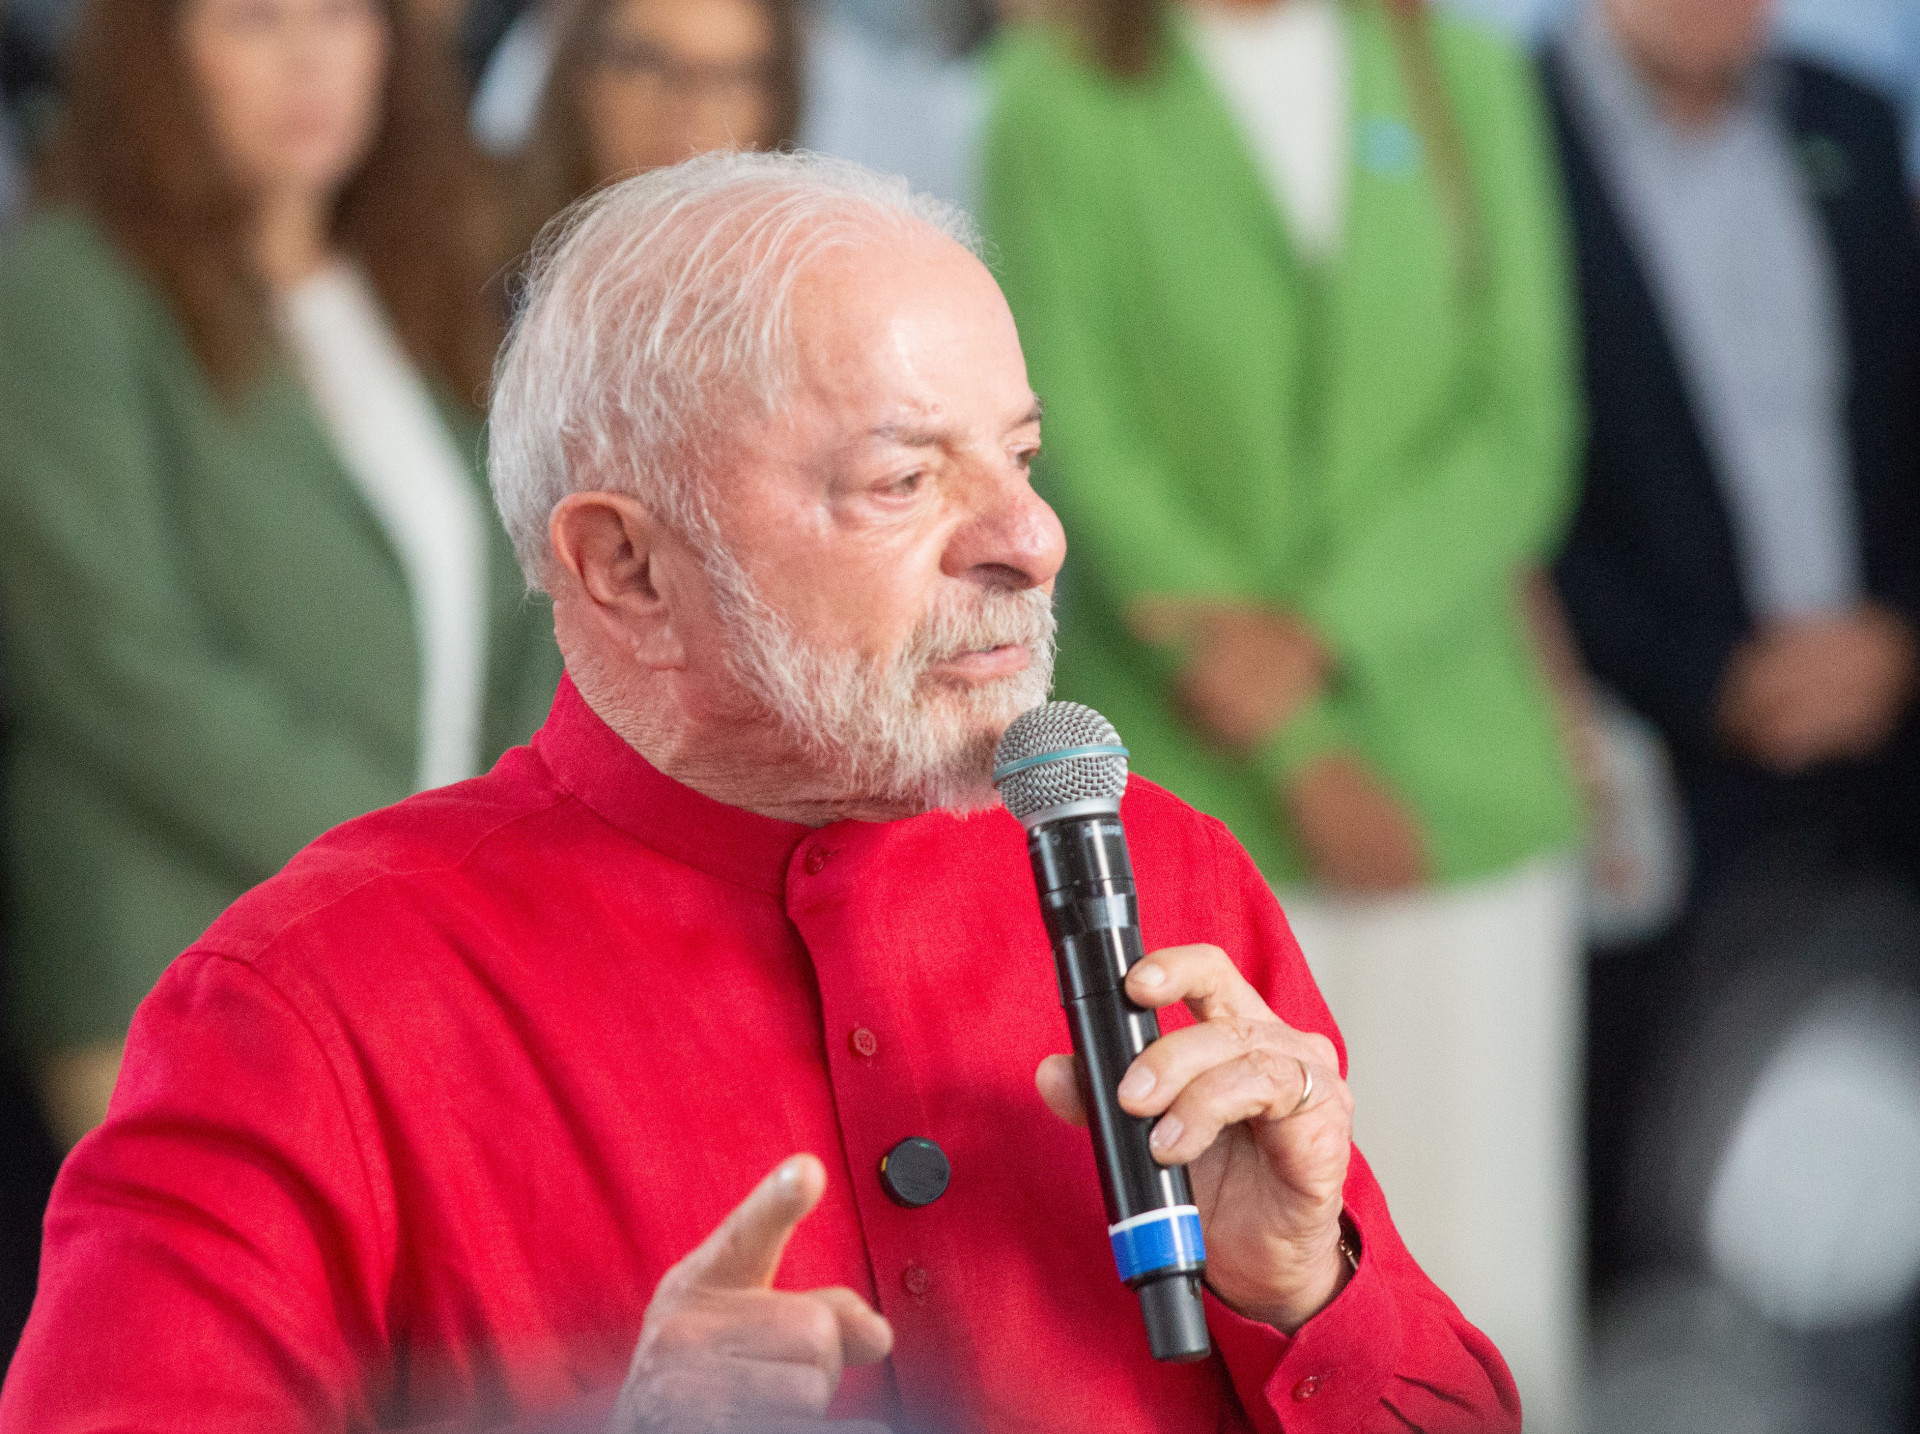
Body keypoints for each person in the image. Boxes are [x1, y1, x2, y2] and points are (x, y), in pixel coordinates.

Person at [1, 150, 1520, 1434]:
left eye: (1023, 455)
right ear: (624, 564)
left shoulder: (1161, 875)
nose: (1033, 539)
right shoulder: (308, 1003)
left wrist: (1309, 1283)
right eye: (905, 479)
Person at [983, 1, 1586, 1425]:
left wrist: (1324, 634)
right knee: (1231, 1290)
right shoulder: (1049, 94)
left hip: (1459, 772)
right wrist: (1299, 738)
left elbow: (1521, 415)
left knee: (1486, 1271)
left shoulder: (1464, 71)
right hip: (1195, 775)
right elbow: (1071, 430)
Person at [0, 0, 562, 1149]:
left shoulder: (414, 284)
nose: (307, 58)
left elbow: (529, 594)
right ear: (158, 53)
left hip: (424, 948)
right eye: (254, 20)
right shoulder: (63, 291)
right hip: (183, 954)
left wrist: (496, 853)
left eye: (340, 18)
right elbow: (113, 663)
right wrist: (427, 858)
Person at [1546, 0, 1920, 903]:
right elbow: (1503, 464)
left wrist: (1897, 633)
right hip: (1639, 749)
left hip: (1884, 725)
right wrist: (1706, 675)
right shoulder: (1506, 130)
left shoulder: (1851, 117)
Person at [501, 0, 798, 248]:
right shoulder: (475, 274)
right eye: (648, 64)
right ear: (580, 79)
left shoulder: (796, 292)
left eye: (730, 77)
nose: (690, 107)